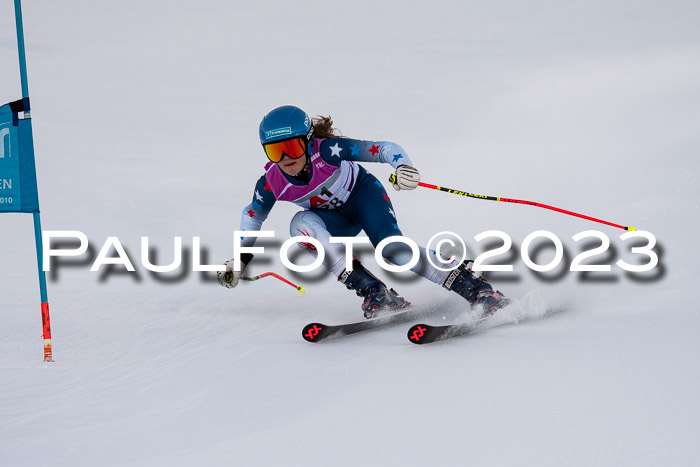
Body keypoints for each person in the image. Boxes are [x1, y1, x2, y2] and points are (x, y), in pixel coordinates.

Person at [218, 105, 510, 318]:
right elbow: (253, 215)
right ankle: (376, 292)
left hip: (363, 196)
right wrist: (241, 260)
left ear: (308, 141)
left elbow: (384, 148)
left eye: (292, 148)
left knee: (392, 250)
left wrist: (403, 167)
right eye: (274, 151)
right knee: (299, 226)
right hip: (335, 221)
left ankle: (477, 288)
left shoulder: (329, 150)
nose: (285, 159)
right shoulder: (271, 182)